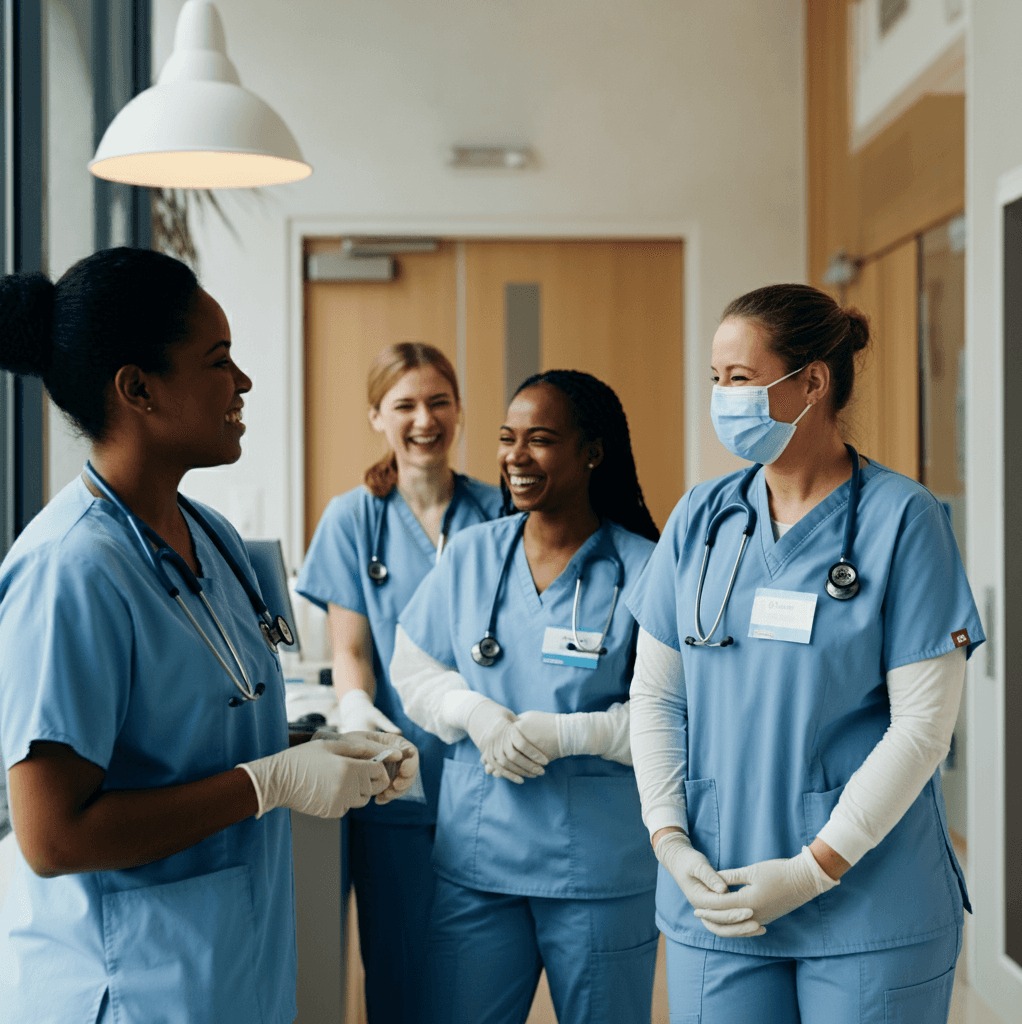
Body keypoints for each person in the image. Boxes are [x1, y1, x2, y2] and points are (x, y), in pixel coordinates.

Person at [0, 248, 418, 1024]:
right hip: (125, 985)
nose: (244, 383)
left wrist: (315, 751)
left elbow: (196, 728)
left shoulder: (210, 536)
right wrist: (273, 783)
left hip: (229, 971)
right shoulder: (72, 570)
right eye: (219, 360)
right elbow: (52, 836)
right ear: (138, 389)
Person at [627, 283, 982, 1024]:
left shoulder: (903, 519)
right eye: (717, 380)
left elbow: (921, 729)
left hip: (868, 906)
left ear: (811, 382)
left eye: (741, 380)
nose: (723, 398)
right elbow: (658, 697)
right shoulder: (703, 516)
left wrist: (812, 870)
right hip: (716, 898)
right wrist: (667, 837)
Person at [390, 369, 662, 1024]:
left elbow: (671, 714)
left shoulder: (647, 568)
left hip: (599, 870)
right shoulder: (472, 554)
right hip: (479, 857)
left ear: (592, 451)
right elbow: (414, 668)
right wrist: (474, 713)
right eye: (508, 438)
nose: (515, 456)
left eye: (539, 440)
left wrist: (570, 734)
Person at [295, 342, 502, 1023]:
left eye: (439, 402)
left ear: (460, 411)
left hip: (489, 781)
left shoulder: (500, 512)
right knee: (400, 974)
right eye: (405, 405)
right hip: (396, 780)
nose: (424, 419)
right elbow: (352, 648)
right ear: (376, 417)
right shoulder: (354, 519)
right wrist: (355, 706)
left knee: (481, 978)